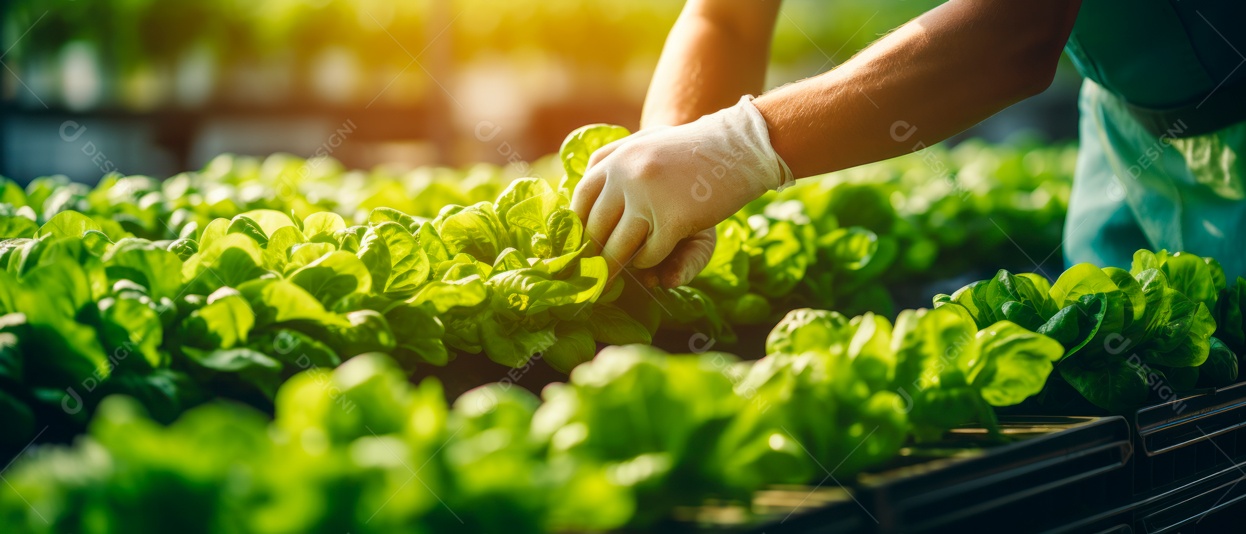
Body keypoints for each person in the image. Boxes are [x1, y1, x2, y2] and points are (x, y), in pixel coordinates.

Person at [570, 0, 1246, 289]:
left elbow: (1015, 35)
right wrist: (670, 156)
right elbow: (727, 18)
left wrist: (745, 146)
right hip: (1133, 130)